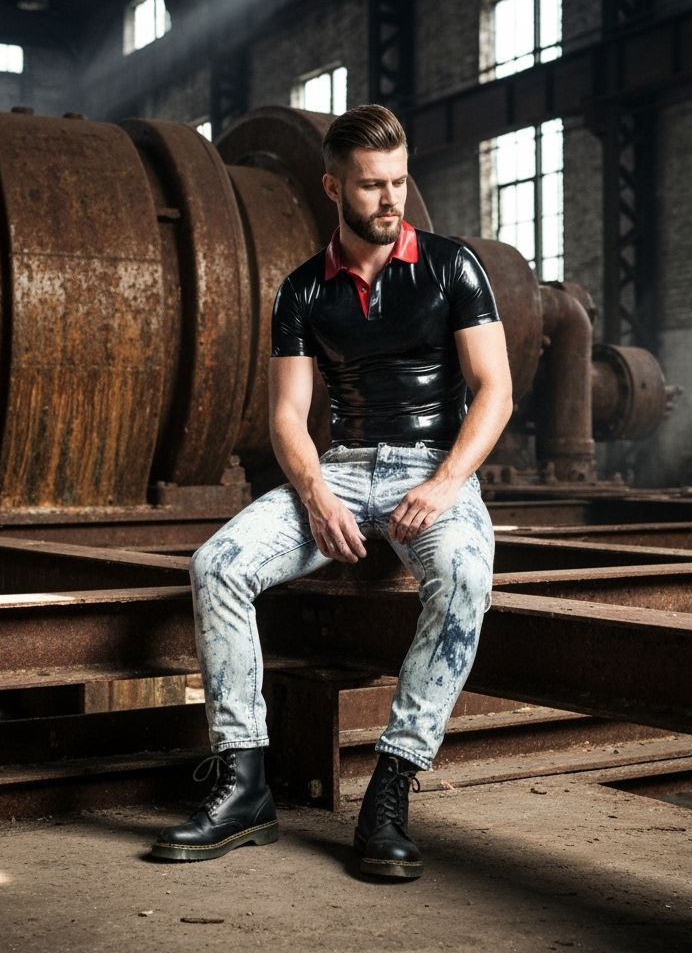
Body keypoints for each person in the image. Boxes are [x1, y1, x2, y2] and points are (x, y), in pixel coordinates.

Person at [151, 104, 513, 880]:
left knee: (464, 577)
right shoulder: (301, 292)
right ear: (331, 188)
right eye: (371, 186)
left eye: (398, 182)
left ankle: (390, 788)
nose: (391, 200)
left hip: (431, 470)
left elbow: (494, 392)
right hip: (341, 469)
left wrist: (447, 483)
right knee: (217, 564)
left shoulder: (453, 266)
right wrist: (315, 493)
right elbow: (286, 415)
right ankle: (244, 783)